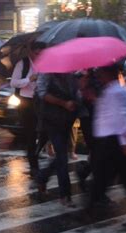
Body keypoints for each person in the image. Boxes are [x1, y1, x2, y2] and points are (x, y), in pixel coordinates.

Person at [91, 64, 126, 228]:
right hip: (112, 140)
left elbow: (123, 118)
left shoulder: (116, 91)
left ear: (107, 73)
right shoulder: (113, 89)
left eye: (101, 72)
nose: (99, 75)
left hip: (114, 141)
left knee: (110, 178)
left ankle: (89, 208)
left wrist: (124, 144)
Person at [36, 73, 80, 207]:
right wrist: (63, 103)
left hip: (67, 119)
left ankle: (42, 177)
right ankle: (65, 195)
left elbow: (76, 92)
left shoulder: (71, 73)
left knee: (62, 156)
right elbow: (42, 93)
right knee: (62, 156)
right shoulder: (46, 74)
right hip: (52, 119)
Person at [10, 42, 47, 178]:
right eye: (37, 53)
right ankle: (34, 167)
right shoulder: (23, 64)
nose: (39, 56)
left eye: (42, 54)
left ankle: (36, 152)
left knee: (45, 130)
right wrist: (28, 79)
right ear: (31, 52)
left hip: (41, 100)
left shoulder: (44, 64)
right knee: (31, 135)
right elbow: (14, 82)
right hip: (26, 102)